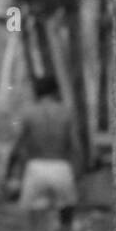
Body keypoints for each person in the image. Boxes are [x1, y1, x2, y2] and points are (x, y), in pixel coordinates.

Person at [7, 76, 81, 210]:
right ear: (56, 91)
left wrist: (10, 172)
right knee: (66, 218)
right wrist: (77, 175)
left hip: (35, 168)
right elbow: (75, 147)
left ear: (37, 92)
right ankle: (64, 230)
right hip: (61, 168)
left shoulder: (28, 113)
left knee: (36, 225)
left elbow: (18, 147)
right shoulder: (66, 113)